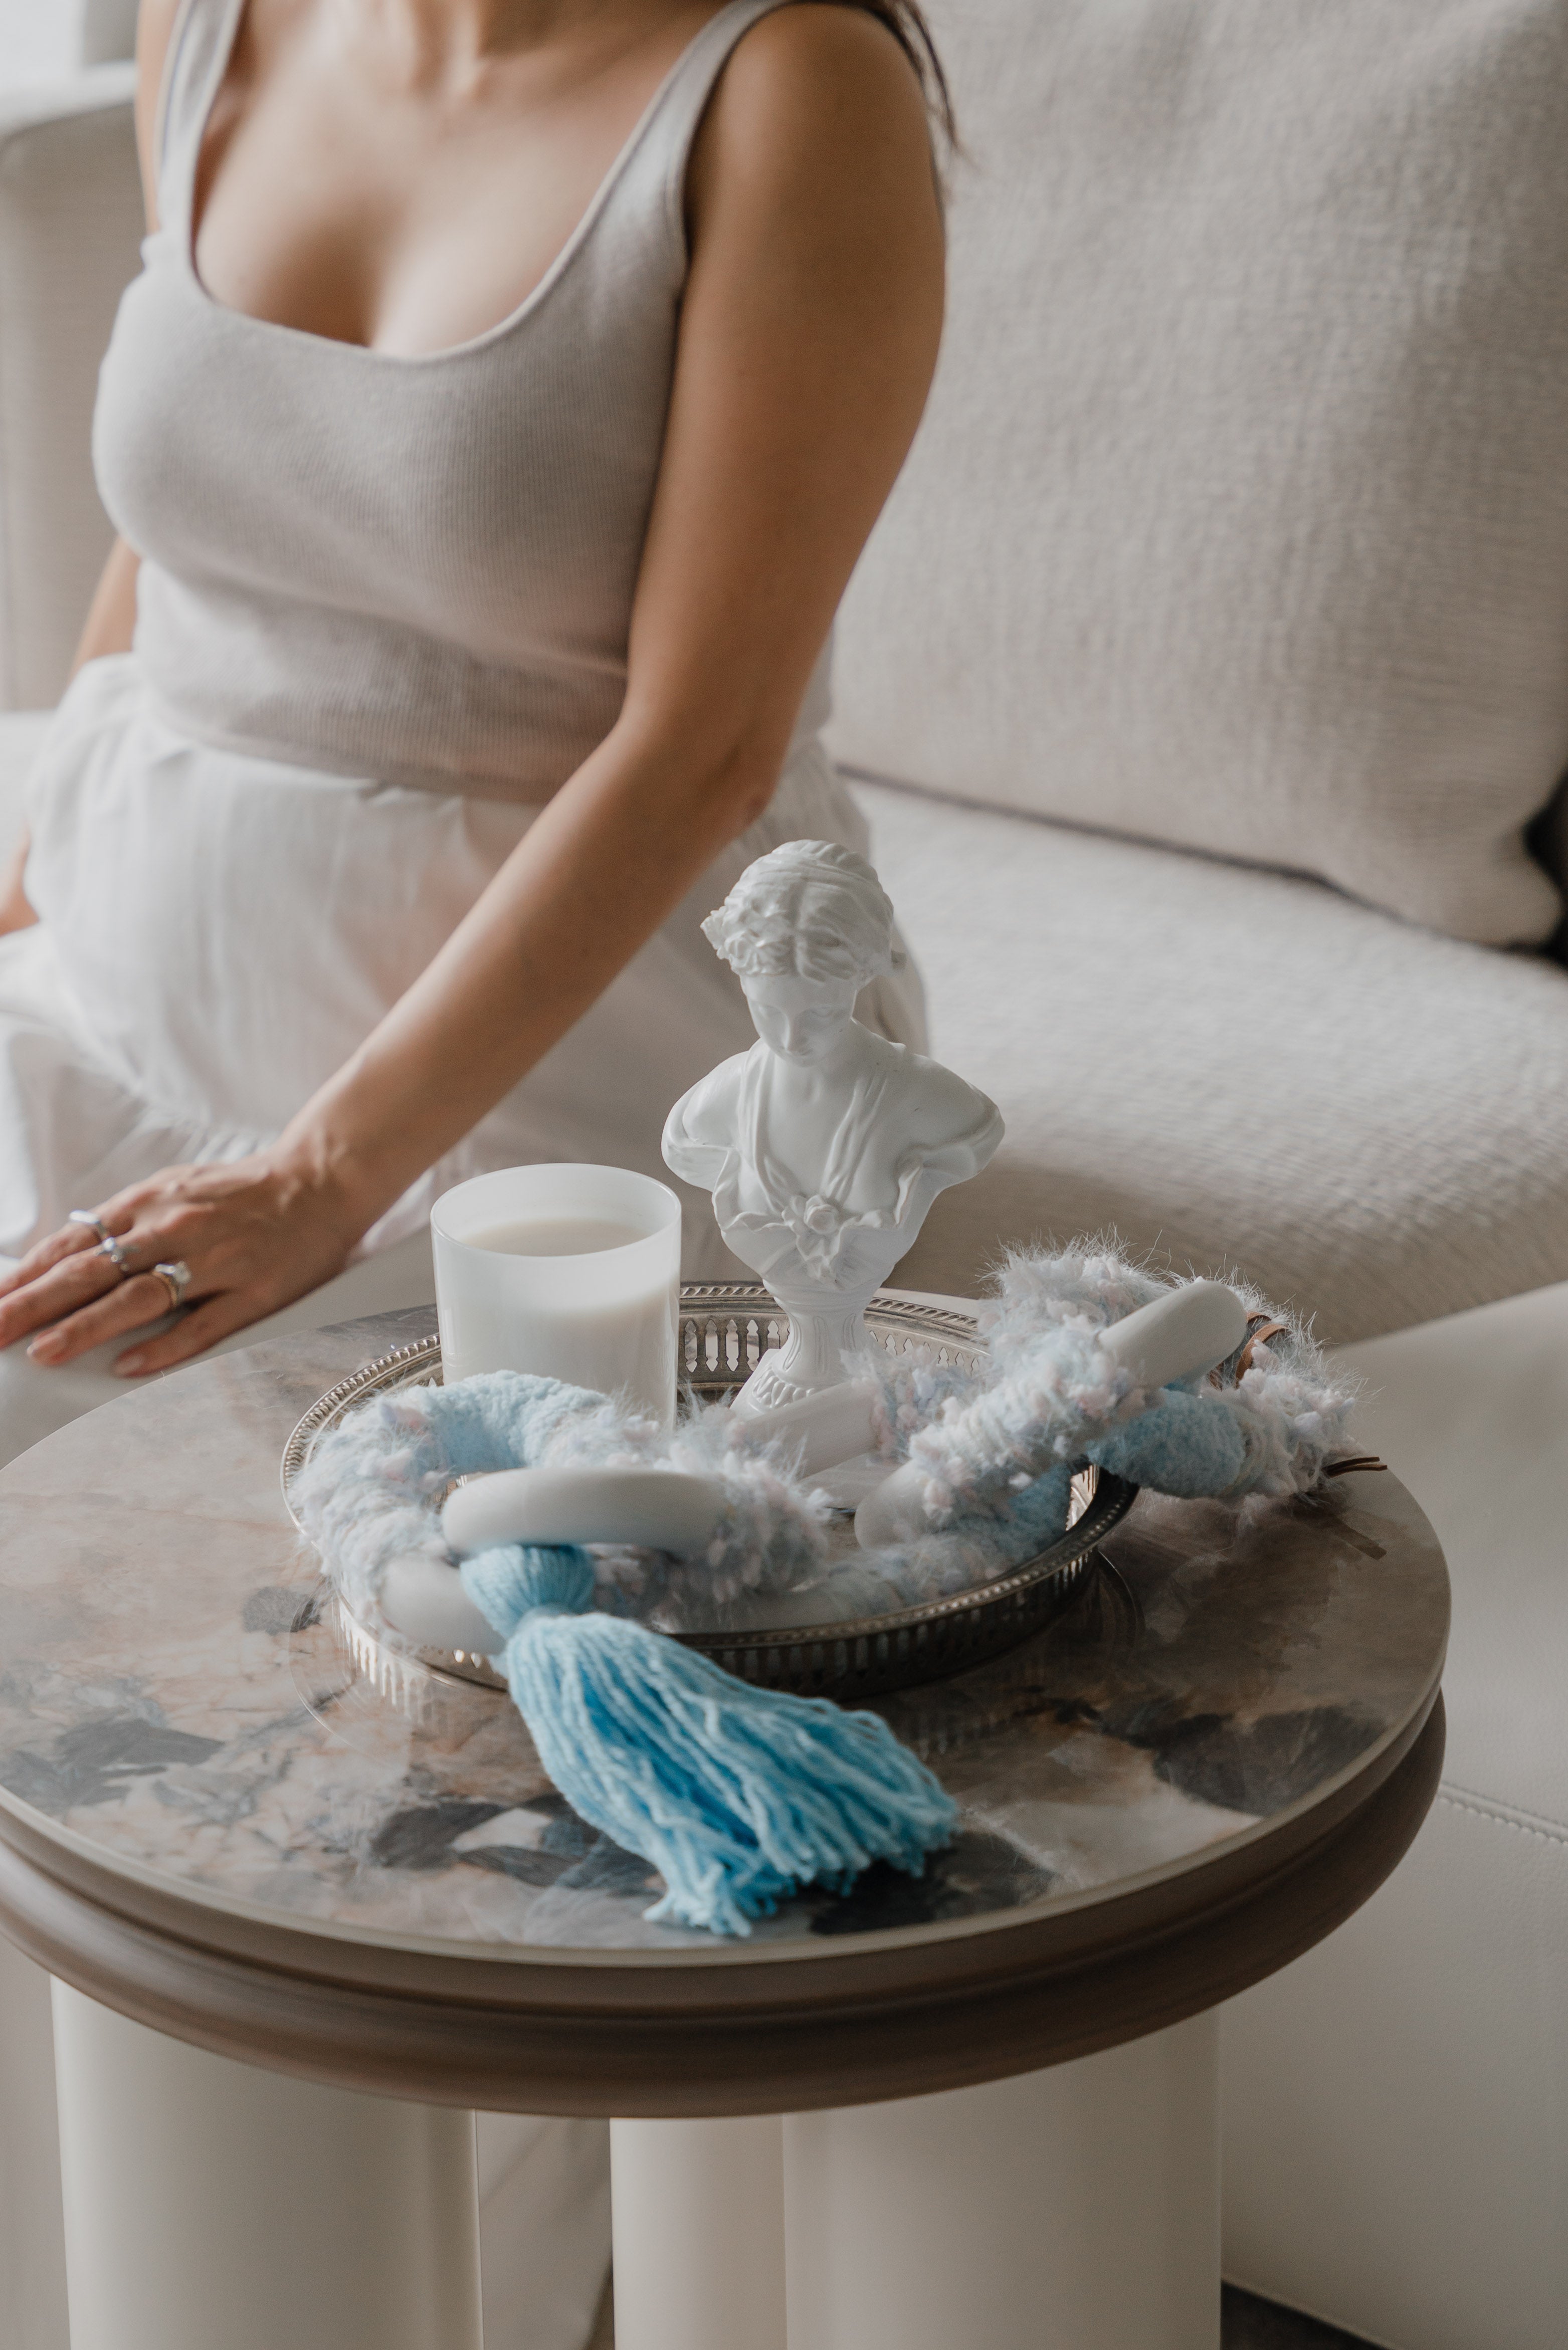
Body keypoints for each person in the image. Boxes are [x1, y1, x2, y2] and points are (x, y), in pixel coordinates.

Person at [0, 1, 950, 2340]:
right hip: (120, 990)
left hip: (531, 1097)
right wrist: (32, 865)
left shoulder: (784, 89)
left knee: (347, 1615)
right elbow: (179, 533)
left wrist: (328, 1174)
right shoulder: (213, 28)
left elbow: (704, 739)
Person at [664, 839, 1002, 1403]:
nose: (792, 1039)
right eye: (767, 1010)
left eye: (820, 1011)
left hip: (865, 1395)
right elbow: (685, 1143)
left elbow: (980, 1131)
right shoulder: (721, 1102)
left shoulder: (925, 1098)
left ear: (860, 977)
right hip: (773, 1391)